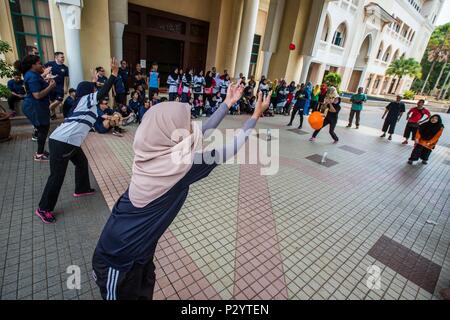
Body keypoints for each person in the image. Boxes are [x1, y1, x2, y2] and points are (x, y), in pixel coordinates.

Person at [92, 82, 271, 301]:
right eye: (185, 124)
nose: (190, 127)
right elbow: (230, 149)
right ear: (170, 134)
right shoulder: (180, 168)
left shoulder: (150, 151)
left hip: (139, 253)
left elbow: (200, 133)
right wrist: (255, 116)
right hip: (117, 262)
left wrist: (227, 103)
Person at [35, 58, 120, 224]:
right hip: (62, 142)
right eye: (94, 89)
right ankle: (43, 209)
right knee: (57, 176)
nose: (96, 91)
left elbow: (100, 114)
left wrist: (93, 81)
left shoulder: (87, 105)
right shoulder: (85, 100)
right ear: (89, 92)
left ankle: (81, 189)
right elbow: (103, 93)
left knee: (81, 162)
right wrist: (114, 74)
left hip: (69, 142)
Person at [19, 55, 56, 161]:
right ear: (32, 65)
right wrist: (50, 86)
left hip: (36, 106)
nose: (42, 65)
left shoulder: (32, 74)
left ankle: (40, 152)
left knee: (42, 129)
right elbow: (37, 95)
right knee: (43, 129)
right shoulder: (32, 76)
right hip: (35, 107)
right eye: (39, 63)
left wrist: (45, 80)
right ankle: (39, 155)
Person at [45, 52, 69, 120]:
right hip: (50, 86)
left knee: (59, 100)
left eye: (63, 57)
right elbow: (43, 71)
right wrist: (47, 76)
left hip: (60, 87)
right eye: (61, 57)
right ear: (56, 57)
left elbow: (66, 78)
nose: (63, 58)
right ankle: (53, 114)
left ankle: (48, 109)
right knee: (52, 101)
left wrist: (66, 87)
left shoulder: (65, 67)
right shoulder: (50, 64)